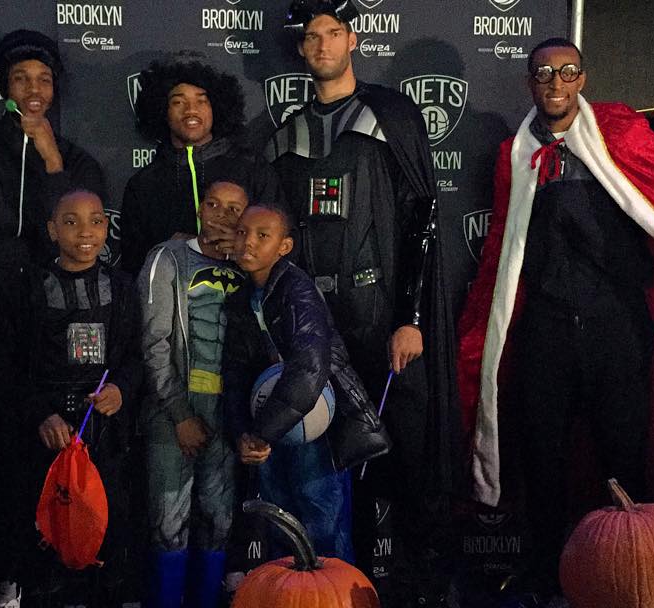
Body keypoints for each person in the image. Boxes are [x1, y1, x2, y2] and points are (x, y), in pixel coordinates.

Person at [457, 37, 654, 601]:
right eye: (543, 73)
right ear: (530, 82)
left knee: (624, 454)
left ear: (582, 79)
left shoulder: (623, 135)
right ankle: (547, 573)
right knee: (543, 456)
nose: (556, 83)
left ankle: (632, 575)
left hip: (617, 327)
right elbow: (502, 256)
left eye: (567, 72)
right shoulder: (515, 154)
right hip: (546, 330)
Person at [266, 0, 449, 600]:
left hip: (382, 323)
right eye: (311, 36)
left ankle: (425, 584)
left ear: (353, 40)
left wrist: (411, 318)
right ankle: (349, 585)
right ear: (301, 48)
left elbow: (422, 220)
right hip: (319, 330)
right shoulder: (285, 132)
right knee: (337, 466)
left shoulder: (389, 116)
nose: (322, 44)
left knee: (409, 454)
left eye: (334, 32)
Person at [0, 29, 106, 605]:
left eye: (44, 80)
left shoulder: (74, 159)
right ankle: (0, 583)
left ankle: (58, 581)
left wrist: (52, 161)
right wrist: (31, 253)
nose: (33, 90)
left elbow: (83, 237)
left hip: (56, 336)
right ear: (2, 86)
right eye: (21, 79)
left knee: (55, 458)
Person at [222, 204, 360, 561]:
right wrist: (243, 433)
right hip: (269, 429)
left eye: (262, 236)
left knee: (321, 523)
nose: (248, 242)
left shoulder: (297, 291)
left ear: (284, 246)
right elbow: (235, 374)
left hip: (311, 427)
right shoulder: (240, 299)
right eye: (242, 233)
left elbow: (309, 369)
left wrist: (261, 434)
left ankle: (332, 591)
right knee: (280, 522)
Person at [24, 189, 142, 606]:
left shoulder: (122, 287)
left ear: (107, 228)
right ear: (52, 230)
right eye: (71, 222)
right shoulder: (31, 288)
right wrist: (42, 414)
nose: (85, 232)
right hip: (50, 433)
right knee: (49, 532)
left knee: (105, 528)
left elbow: (135, 356)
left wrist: (120, 390)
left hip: (104, 433)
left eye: (95, 221)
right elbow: (12, 364)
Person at [138, 180, 248, 608]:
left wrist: (242, 258)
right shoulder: (168, 258)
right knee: (169, 524)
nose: (222, 215)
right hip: (174, 414)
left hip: (227, 414)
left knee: (219, 522)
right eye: (214, 204)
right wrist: (180, 414)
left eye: (234, 209)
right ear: (200, 209)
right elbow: (154, 344)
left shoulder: (251, 266)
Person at [119, 59, 281, 274]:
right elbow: (132, 265)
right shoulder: (143, 184)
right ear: (162, 111)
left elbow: (284, 241)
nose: (191, 110)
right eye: (178, 102)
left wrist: (244, 245)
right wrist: (168, 251)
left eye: (201, 101)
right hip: (171, 295)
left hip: (244, 293)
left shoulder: (252, 169)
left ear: (216, 108)